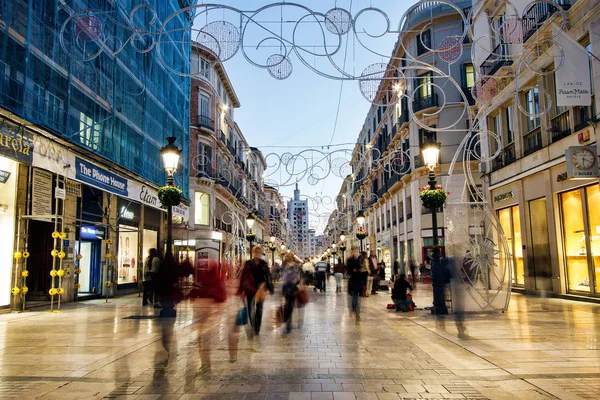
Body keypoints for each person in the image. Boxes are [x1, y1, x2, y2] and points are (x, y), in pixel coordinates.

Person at [238, 245, 274, 336]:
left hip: (260, 288)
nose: (258, 254)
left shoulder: (264, 263)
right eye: (256, 252)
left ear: (261, 253)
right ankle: (253, 324)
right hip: (250, 288)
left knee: (259, 308)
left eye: (259, 252)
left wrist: (270, 287)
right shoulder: (248, 263)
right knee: (250, 307)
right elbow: (243, 277)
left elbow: (268, 276)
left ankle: (257, 327)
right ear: (253, 253)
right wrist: (240, 290)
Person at [281, 252, 299, 333]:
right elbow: (282, 274)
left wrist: (296, 280)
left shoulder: (296, 265)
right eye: (287, 256)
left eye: (288, 256)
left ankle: (289, 323)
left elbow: (298, 276)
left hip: (293, 287)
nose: (287, 257)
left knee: (290, 305)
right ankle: (287, 321)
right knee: (287, 305)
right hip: (285, 286)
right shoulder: (284, 264)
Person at [346, 247, 362, 320]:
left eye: (356, 251)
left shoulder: (358, 260)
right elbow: (349, 270)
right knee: (353, 296)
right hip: (353, 280)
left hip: (358, 280)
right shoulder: (349, 260)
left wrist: (356, 270)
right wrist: (354, 270)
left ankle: (356, 310)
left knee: (357, 297)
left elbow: (359, 268)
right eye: (353, 251)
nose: (354, 252)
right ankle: (354, 309)